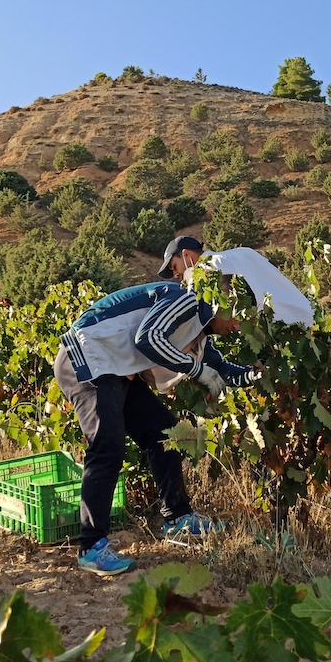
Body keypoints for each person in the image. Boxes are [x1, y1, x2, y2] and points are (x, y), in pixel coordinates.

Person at [53, 236, 259, 575]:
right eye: (237, 316)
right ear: (221, 299)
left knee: (163, 431)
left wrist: (255, 375)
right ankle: (92, 546)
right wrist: (196, 369)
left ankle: (178, 519)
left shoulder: (200, 332)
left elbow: (223, 370)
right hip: (88, 358)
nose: (238, 325)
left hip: (116, 369)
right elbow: (147, 338)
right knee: (107, 446)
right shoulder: (186, 299)